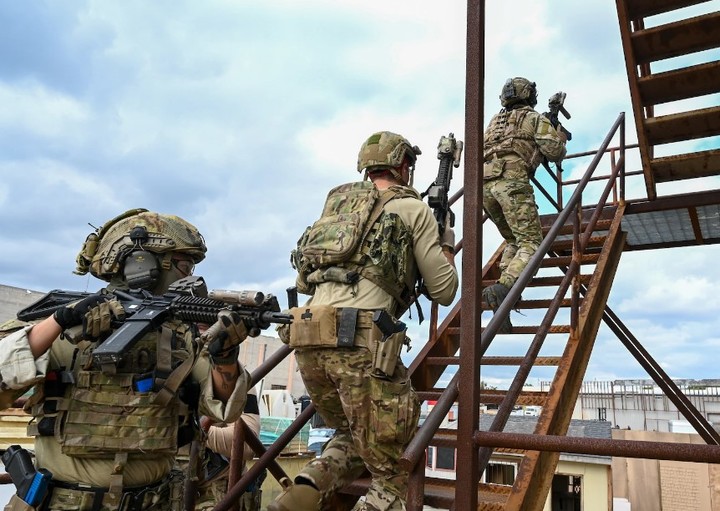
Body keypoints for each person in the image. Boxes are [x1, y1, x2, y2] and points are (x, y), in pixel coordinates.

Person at [0, 208, 252, 511]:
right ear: (140, 262)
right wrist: (59, 321)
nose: (191, 277)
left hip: (154, 502)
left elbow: (225, 409)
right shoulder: (62, 327)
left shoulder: (179, 335)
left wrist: (225, 354)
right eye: (184, 265)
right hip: (62, 503)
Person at [269, 131, 459, 511]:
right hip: (357, 343)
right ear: (404, 165)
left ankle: (293, 502)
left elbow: (304, 280)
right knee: (393, 470)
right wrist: (446, 242)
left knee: (351, 435)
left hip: (306, 336)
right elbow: (444, 290)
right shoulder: (413, 210)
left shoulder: (336, 210)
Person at [482, 77, 568, 333]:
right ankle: (506, 285)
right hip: (512, 183)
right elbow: (554, 151)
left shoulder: (494, 123)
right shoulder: (532, 117)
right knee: (532, 243)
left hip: (486, 186)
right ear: (529, 95)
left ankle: (505, 297)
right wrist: (559, 137)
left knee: (514, 242)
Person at [185, 386, 263, 511]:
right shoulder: (158, 371)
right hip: (162, 490)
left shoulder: (234, 376)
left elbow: (247, 445)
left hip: (215, 495)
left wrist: (189, 429)